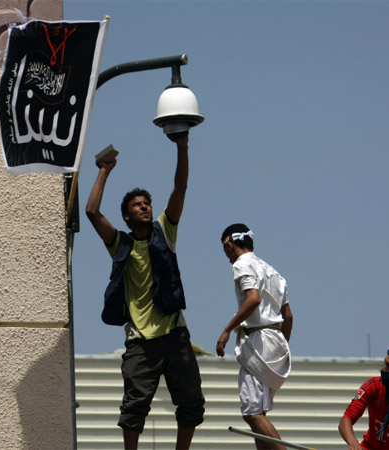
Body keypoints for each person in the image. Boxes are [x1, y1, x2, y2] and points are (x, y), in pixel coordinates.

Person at [85, 131, 204, 450]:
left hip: (174, 334)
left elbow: (180, 187)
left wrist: (182, 145)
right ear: (127, 215)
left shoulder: (165, 231)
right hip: (140, 341)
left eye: (147, 203)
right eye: (137, 205)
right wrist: (104, 171)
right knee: (134, 408)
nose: (144, 207)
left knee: (192, 403)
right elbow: (92, 212)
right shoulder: (120, 243)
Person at [216, 223, 293, 450]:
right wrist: (280, 346)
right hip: (276, 341)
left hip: (258, 342)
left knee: (252, 413)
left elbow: (253, 299)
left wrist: (227, 329)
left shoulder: (242, 264)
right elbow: (288, 316)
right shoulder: (274, 272)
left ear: (229, 245)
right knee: (259, 414)